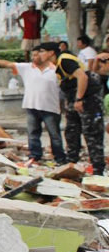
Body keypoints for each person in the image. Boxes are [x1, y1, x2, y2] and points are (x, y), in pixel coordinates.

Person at [0, 47, 65, 163]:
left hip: (50, 107)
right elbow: (7, 64)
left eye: (36, 55)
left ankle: (60, 158)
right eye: (33, 55)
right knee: (33, 133)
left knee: (54, 134)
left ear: (45, 56)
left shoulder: (55, 69)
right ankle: (35, 156)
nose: (34, 57)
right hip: (31, 106)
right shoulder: (27, 68)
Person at [38, 42, 105, 174]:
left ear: (51, 52)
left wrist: (79, 99)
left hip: (88, 99)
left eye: (42, 51)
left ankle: (98, 170)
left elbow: (82, 77)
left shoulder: (64, 59)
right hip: (74, 99)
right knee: (71, 131)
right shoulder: (57, 64)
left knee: (92, 133)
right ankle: (72, 165)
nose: (40, 54)